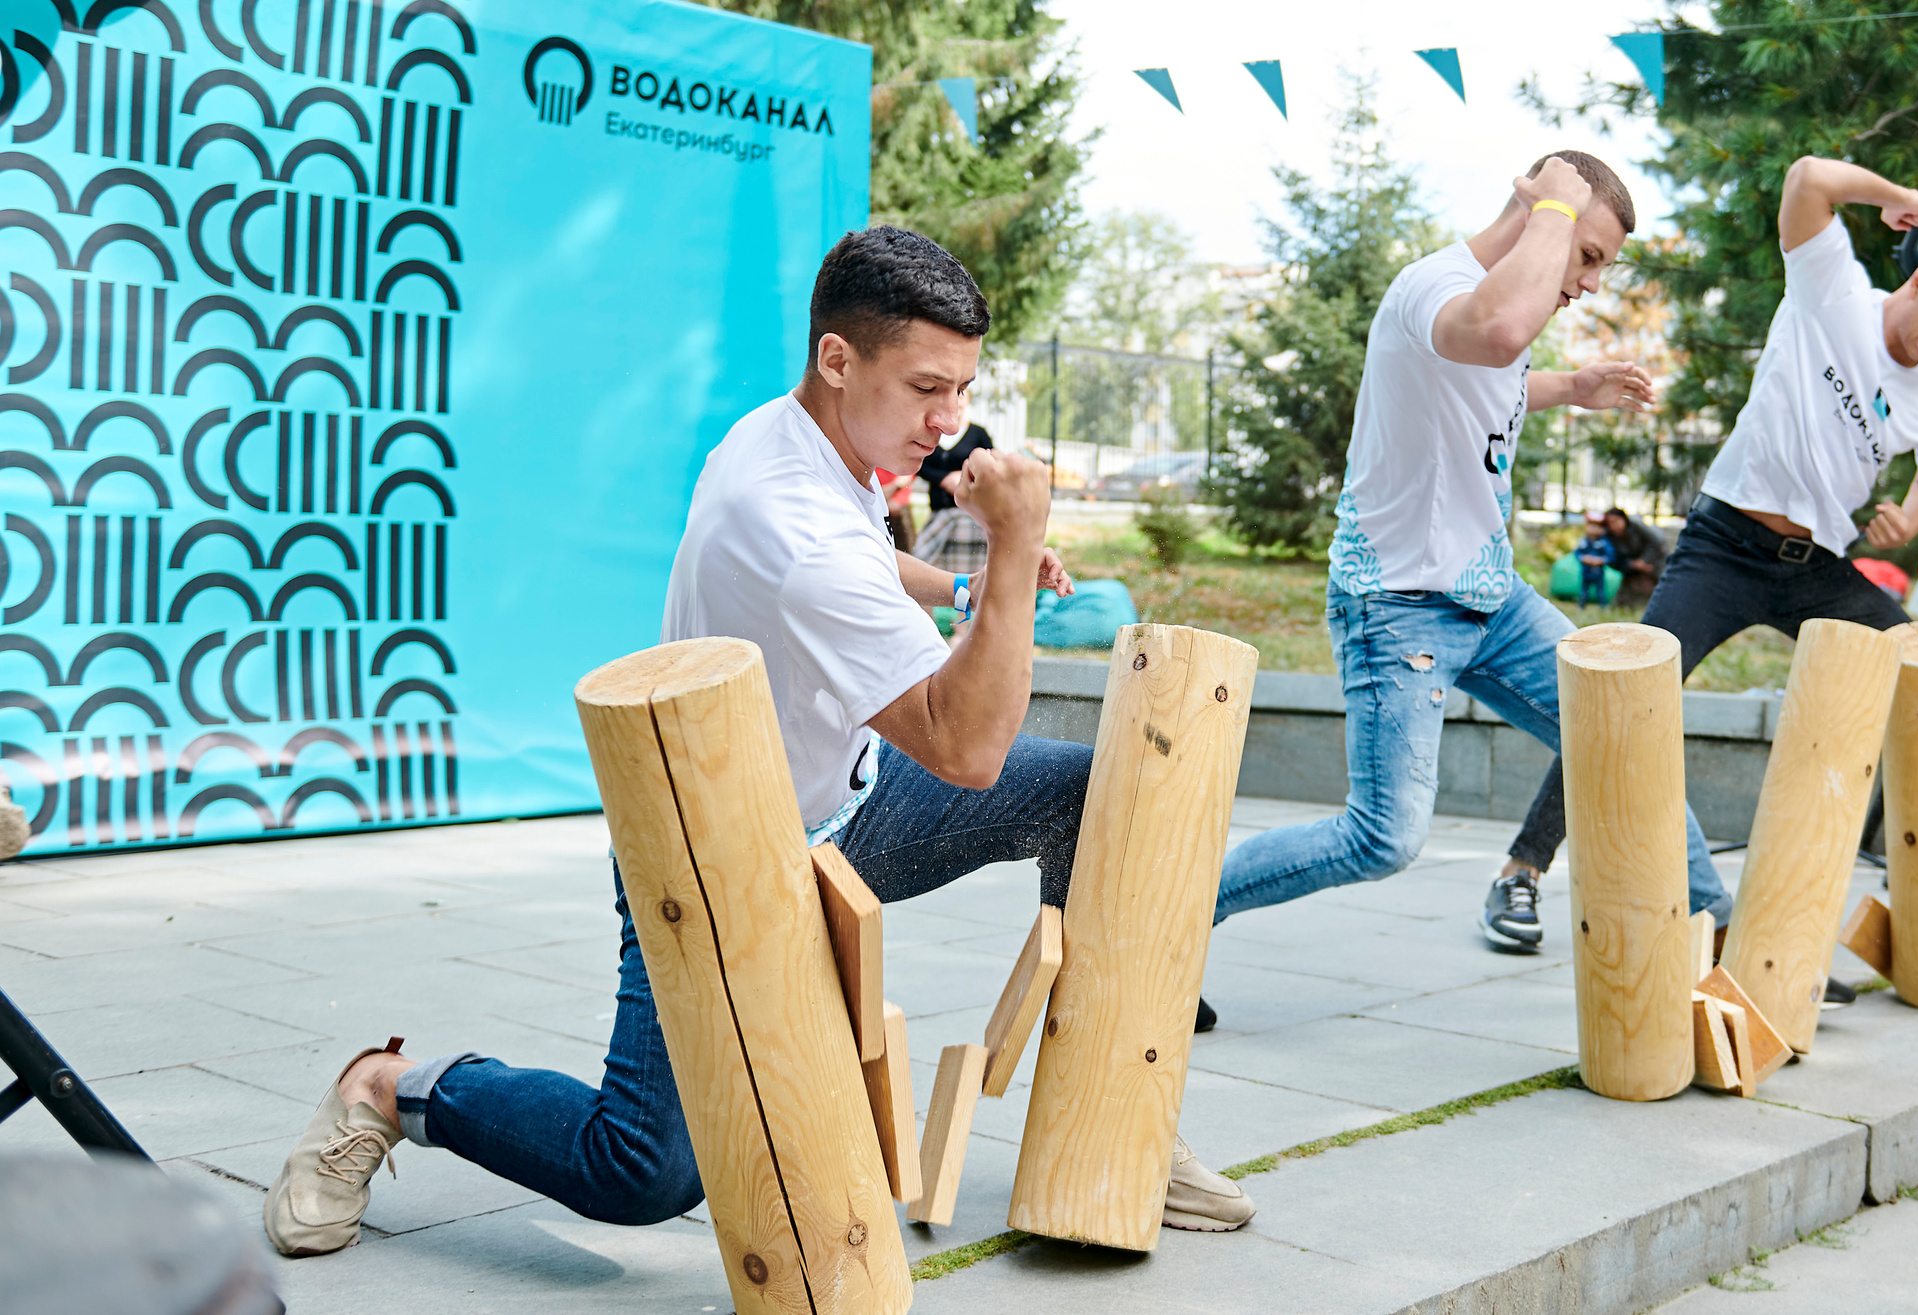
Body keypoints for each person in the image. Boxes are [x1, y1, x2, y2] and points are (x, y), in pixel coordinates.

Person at [261, 229, 1259, 1261]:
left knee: (1094, 796)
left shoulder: (801, 435)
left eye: (960, 388)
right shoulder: (793, 529)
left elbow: (863, 566)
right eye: (926, 387)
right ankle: (387, 1088)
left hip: (850, 803)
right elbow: (964, 746)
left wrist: (958, 585)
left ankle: (1114, 1115)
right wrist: (1006, 553)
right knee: (642, 1170)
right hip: (714, 851)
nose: (949, 420)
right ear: (840, 358)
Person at [1495, 154, 1918, 986]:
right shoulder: (1831, 286)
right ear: (1915, 284)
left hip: (1819, 569)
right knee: (1631, 695)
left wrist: (1912, 518)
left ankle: (1877, 894)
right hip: (1725, 545)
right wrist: (1896, 197)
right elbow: (1807, 178)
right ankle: (1521, 872)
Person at [1210, 151, 1731, 957]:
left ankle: (1722, 932)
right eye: (1587, 257)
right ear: (1538, 214)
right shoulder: (1435, 287)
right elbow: (1490, 332)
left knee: (1632, 726)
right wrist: (1555, 210)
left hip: (1491, 599)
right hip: (1398, 607)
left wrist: (1572, 385)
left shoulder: (1502, 305)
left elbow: (1490, 372)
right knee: (1381, 838)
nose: (1590, 283)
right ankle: (1167, 908)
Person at [912, 420, 997, 574]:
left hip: (971, 518)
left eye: (960, 394)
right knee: (927, 561)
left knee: (970, 573)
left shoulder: (978, 433)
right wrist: (943, 479)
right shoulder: (931, 431)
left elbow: (993, 465)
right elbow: (920, 465)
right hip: (941, 514)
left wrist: (966, 476)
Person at [1603, 506, 1666, 605]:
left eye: (1616, 521)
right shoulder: (1608, 538)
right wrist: (1633, 564)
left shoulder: (1637, 527)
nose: (1614, 525)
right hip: (1630, 570)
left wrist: (1644, 561)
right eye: (1610, 523)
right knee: (1622, 601)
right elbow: (1612, 560)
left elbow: (1657, 543)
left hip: (1653, 562)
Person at [1576, 509, 1619, 604]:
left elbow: (1610, 555)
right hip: (1586, 571)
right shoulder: (1584, 542)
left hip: (1599, 572)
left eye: (1597, 527)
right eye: (1591, 526)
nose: (1594, 529)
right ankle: (1581, 604)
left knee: (1600, 590)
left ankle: (1602, 605)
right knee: (1584, 590)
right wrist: (1583, 558)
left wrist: (1601, 560)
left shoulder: (1604, 542)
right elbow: (1577, 553)